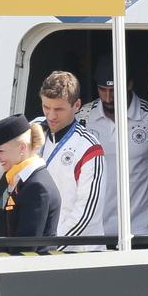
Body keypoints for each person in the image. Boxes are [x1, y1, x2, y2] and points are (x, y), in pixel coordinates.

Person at [78, 55, 148, 237]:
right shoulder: (83, 118)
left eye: (114, 90)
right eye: (102, 90)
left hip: (144, 231)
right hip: (97, 232)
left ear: (129, 84)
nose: (108, 97)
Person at [34, 71, 105, 250]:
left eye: (58, 109)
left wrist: (52, 246)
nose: (51, 116)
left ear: (77, 105)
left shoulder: (89, 147)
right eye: (46, 107)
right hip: (41, 250)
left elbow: (87, 213)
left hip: (79, 254)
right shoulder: (34, 132)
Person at [0, 114, 61, 251]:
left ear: (22, 148)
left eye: (0, 151)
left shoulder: (36, 187)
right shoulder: (26, 180)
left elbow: (26, 248)